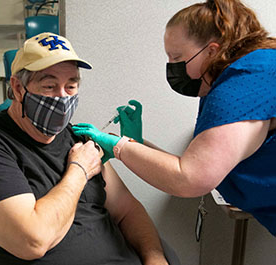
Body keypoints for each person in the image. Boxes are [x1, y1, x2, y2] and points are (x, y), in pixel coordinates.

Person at [0, 32, 178, 265]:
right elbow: (33, 241)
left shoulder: (77, 138)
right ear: (18, 89)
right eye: (49, 86)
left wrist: (154, 257)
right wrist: (79, 170)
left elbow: (128, 211)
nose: (62, 98)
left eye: (71, 86)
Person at [72, 0, 276, 236]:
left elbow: (189, 177)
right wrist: (136, 143)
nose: (171, 67)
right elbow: (196, 164)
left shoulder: (244, 82)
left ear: (211, 50)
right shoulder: (244, 75)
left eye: (177, 57)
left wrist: (118, 146)